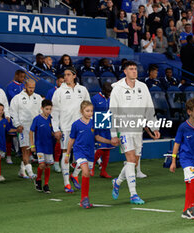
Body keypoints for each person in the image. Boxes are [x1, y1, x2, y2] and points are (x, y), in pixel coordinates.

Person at [110, 61, 160, 205]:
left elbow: (149, 109)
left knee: (134, 162)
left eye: (135, 69)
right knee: (131, 160)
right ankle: (133, 194)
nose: (134, 71)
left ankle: (117, 181)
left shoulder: (142, 87)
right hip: (124, 129)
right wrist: (114, 134)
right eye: (131, 69)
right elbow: (113, 112)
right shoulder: (118, 89)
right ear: (125, 71)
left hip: (138, 129)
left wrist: (154, 127)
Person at [64, 101, 117, 208]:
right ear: (81, 111)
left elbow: (97, 137)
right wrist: (67, 154)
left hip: (90, 153)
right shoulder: (76, 124)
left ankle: (84, 198)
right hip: (79, 151)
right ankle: (84, 199)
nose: (90, 113)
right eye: (87, 111)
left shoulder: (94, 123)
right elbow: (71, 140)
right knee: (85, 171)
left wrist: (110, 141)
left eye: (91, 111)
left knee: (87, 175)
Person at [51, 66, 90, 193]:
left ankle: (75, 175)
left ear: (74, 75)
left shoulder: (82, 90)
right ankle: (67, 183)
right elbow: (54, 112)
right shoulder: (59, 92)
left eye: (68, 74)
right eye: (65, 75)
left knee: (87, 154)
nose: (66, 77)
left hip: (82, 127)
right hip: (66, 127)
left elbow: (88, 107)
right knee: (65, 154)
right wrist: (56, 128)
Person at [10, 79, 43, 179]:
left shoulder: (38, 98)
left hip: (34, 129)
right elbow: (13, 113)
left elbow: (41, 113)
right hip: (23, 128)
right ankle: (30, 172)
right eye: (29, 87)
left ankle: (22, 171)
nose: (31, 89)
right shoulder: (17, 98)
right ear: (25, 86)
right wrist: (17, 125)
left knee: (29, 151)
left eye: (33, 88)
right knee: (25, 150)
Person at [30, 99, 55, 194]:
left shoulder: (51, 119)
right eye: (46, 109)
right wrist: (32, 145)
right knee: (42, 164)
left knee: (48, 165)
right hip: (39, 145)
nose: (48, 111)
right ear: (42, 108)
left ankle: (46, 184)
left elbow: (53, 131)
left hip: (49, 145)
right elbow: (31, 131)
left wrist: (55, 135)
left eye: (50, 109)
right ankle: (39, 179)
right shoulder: (37, 119)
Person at [91, 82, 114, 178]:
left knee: (108, 149)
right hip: (98, 125)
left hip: (108, 125)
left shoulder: (112, 98)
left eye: (110, 92)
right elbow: (91, 112)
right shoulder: (95, 98)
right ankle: (91, 167)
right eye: (108, 92)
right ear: (103, 90)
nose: (109, 94)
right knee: (101, 148)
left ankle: (103, 171)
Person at [45, 74, 64, 173]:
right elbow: (47, 106)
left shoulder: (66, 91)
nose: (62, 84)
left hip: (64, 118)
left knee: (63, 142)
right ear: (57, 82)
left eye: (63, 82)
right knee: (56, 140)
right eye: (60, 81)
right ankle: (55, 162)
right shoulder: (51, 92)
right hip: (54, 118)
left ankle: (61, 161)